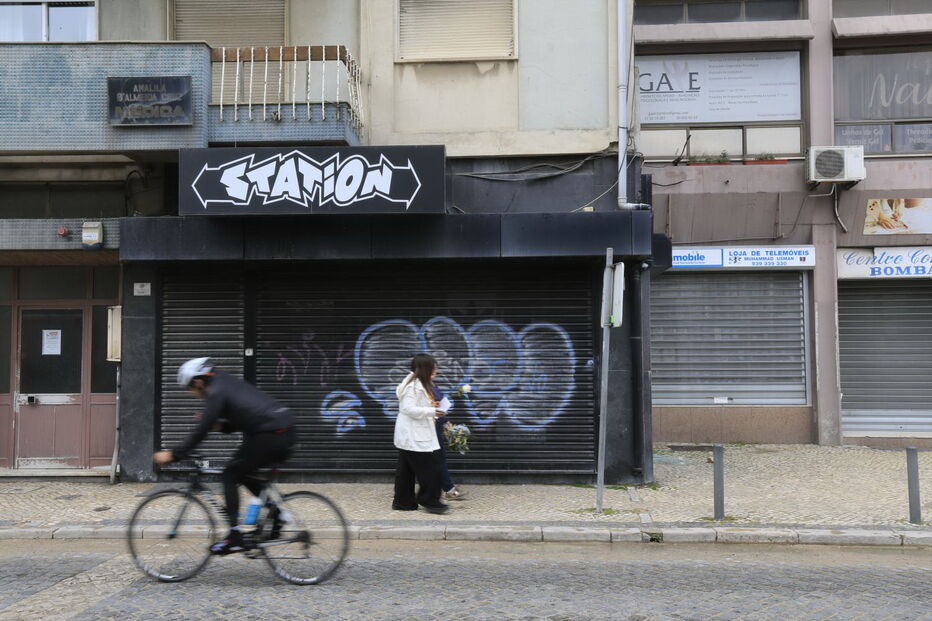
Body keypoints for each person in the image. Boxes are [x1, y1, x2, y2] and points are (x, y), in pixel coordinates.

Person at [153, 357, 296, 555]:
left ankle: (234, 536)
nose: (192, 394)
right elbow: (245, 416)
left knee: (229, 474)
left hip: (273, 435)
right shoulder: (225, 382)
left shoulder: (216, 391)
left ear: (198, 381)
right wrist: (221, 426)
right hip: (277, 432)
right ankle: (276, 514)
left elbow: (200, 431)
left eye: (190, 389)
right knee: (240, 472)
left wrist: (175, 454)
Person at [392, 353, 449, 514]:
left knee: (405, 472)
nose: (436, 370)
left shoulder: (418, 384)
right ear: (425, 368)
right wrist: (432, 411)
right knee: (432, 467)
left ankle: (403, 502)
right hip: (413, 435)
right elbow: (407, 408)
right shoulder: (412, 386)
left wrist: (432, 406)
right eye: (433, 367)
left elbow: (417, 405)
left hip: (411, 435)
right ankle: (430, 500)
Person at [431, 388, 468, 501]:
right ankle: (447, 491)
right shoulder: (422, 385)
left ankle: (447, 489)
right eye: (432, 370)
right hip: (428, 428)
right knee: (437, 458)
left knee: (437, 458)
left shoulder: (428, 384)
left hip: (433, 425)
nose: (435, 372)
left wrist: (445, 421)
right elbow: (432, 406)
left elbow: (438, 405)